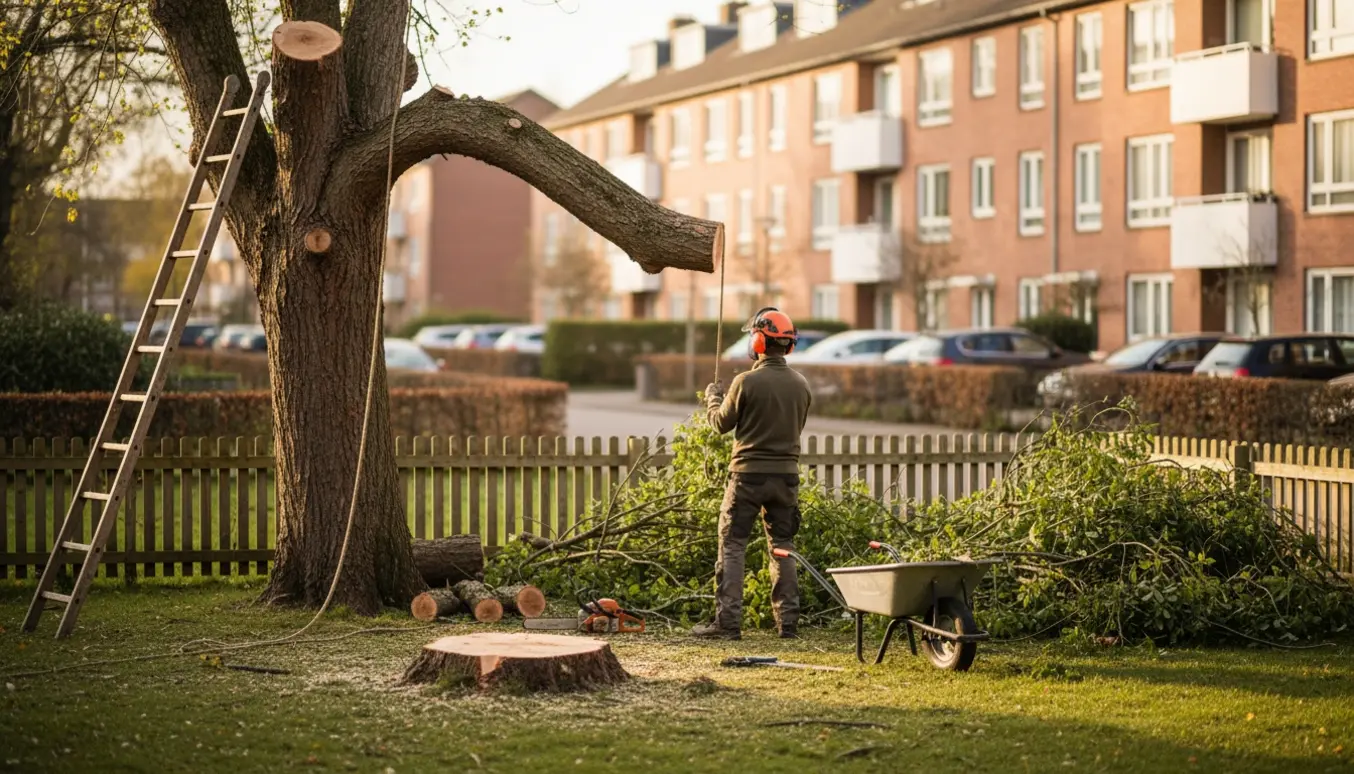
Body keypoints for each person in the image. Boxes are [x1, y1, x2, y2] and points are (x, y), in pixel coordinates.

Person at [691, 307, 812, 641]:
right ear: (788, 346)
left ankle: (727, 624)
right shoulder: (801, 385)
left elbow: (720, 424)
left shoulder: (745, 382)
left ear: (759, 341)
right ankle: (787, 624)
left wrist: (713, 399)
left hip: (747, 477)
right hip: (786, 478)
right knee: (782, 546)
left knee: (732, 545)